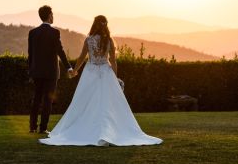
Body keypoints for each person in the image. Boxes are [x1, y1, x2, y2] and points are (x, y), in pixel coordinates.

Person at [39, 15, 162, 146]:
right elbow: (113, 60)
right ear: (106, 25)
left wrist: (75, 70)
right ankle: (110, 132)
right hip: (106, 72)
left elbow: (81, 57)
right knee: (108, 103)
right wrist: (114, 77)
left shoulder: (89, 39)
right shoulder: (109, 40)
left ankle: (87, 129)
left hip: (90, 72)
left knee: (84, 101)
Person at [28, 5, 73, 134]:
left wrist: (31, 71)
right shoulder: (54, 32)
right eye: (52, 14)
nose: (53, 17)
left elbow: (30, 54)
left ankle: (32, 127)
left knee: (36, 99)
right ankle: (43, 128)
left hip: (36, 71)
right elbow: (60, 52)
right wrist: (68, 67)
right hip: (51, 72)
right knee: (48, 100)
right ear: (49, 16)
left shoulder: (32, 33)